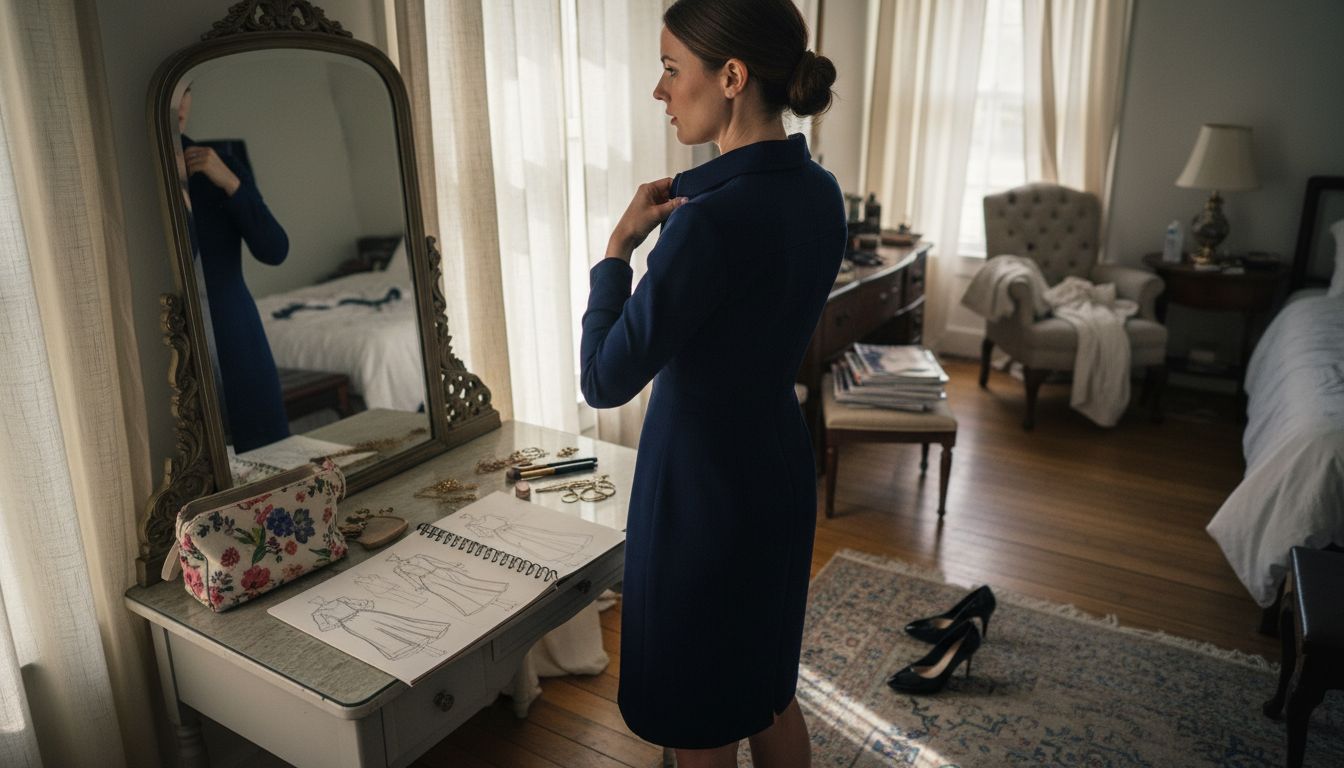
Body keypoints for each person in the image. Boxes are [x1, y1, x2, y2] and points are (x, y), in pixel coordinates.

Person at [578, 1, 843, 765]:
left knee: (699, 717)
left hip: (701, 494)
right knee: (766, 691)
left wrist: (617, 249)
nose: (659, 91)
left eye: (671, 69)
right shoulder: (819, 191)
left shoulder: (707, 222)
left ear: (732, 77)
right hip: (778, 470)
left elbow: (603, 379)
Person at [177, 83, 292, 453]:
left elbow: (274, 250)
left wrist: (230, 183)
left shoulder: (221, 164)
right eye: (172, 92)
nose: (179, 103)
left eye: (187, 91)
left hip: (237, 331)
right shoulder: (134, 176)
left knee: (267, 451)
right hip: (175, 343)